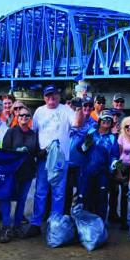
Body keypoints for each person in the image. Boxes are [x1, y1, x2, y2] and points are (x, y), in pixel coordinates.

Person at [22, 85, 82, 238]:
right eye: (48, 96)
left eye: (54, 95)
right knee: (41, 191)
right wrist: (35, 152)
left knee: (59, 193)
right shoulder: (39, 112)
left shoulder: (66, 110)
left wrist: (79, 108)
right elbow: (33, 132)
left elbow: (77, 124)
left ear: (59, 95)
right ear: (44, 98)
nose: (51, 98)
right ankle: (36, 223)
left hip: (61, 159)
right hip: (44, 157)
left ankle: (54, 224)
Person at [2, 106, 39, 238]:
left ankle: (17, 226)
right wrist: (15, 152)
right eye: (21, 115)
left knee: (22, 200)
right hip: (12, 172)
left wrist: (48, 149)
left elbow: (36, 152)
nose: (24, 118)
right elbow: (4, 150)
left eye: (27, 116)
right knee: (6, 198)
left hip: (27, 172)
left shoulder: (33, 134)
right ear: (17, 117)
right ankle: (6, 227)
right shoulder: (11, 132)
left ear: (30, 118)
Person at [77, 110, 120, 221]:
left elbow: (114, 155)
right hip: (87, 173)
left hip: (103, 174)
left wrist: (115, 165)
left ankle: (99, 226)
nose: (106, 121)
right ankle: (83, 225)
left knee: (101, 200)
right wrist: (85, 145)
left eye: (109, 119)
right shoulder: (90, 132)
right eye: (104, 119)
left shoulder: (112, 138)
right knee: (84, 198)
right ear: (99, 121)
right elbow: (79, 148)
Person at [66, 96, 97, 214]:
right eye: (85, 105)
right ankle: (64, 216)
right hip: (67, 161)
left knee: (81, 192)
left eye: (90, 106)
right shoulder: (71, 118)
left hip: (82, 163)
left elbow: (88, 144)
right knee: (65, 191)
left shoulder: (94, 124)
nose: (87, 108)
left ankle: (79, 216)